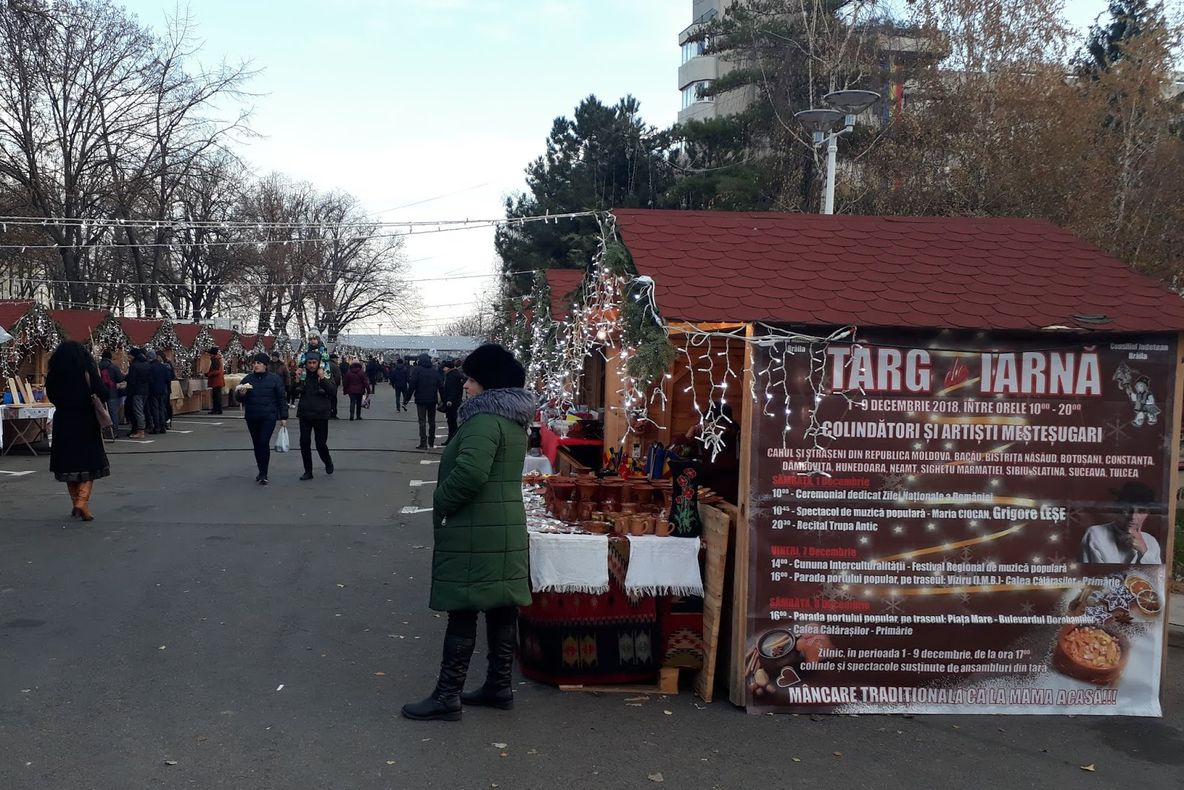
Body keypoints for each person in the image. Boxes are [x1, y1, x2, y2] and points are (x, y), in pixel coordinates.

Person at [402, 343, 534, 721]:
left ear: (488, 385)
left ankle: (448, 695)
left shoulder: (483, 421)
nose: (466, 386)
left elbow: (471, 473)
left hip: (476, 530)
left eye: (472, 380)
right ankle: (498, 686)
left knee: (463, 608)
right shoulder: (511, 421)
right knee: (500, 607)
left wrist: (441, 500)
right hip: (502, 529)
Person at [45, 340, 111, 522]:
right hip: (85, 420)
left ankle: (76, 502)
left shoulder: (53, 375)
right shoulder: (87, 373)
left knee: (68, 464)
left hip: (64, 421)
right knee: (90, 463)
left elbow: (51, 396)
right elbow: (104, 394)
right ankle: (82, 501)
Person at [236, 353, 289, 485]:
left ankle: (264, 473)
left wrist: (283, 416)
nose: (256, 365)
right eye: (254, 363)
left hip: (268, 416)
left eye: (259, 363)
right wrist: (241, 394)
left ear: (265, 365)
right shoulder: (247, 379)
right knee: (256, 443)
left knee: (263, 442)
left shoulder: (274, 379)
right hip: (252, 416)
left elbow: (281, 398)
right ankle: (260, 470)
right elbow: (239, 399)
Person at [1080, 481, 1163, 564]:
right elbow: (1093, 574)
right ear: (1119, 508)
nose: (1133, 517)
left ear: (1147, 514)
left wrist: (1144, 551)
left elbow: (1156, 575)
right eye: (1128, 509)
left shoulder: (1151, 542)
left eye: (1141, 511)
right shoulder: (1096, 534)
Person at [293, 355, 335, 480]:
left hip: (321, 414)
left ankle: (327, 461)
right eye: (309, 363)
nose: (311, 365)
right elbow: (292, 392)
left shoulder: (326, 374)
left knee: (320, 443)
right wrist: (296, 379)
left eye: (314, 362)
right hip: (305, 413)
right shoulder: (303, 375)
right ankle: (308, 470)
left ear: (319, 363)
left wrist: (322, 378)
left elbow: (332, 391)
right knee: (304, 443)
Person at [407, 352, 443, 449]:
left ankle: (423, 442)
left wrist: (406, 399)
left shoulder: (417, 370)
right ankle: (431, 440)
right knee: (432, 421)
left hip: (421, 399)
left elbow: (412, 385)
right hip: (432, 399)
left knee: (422, 421)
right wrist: (444, 399)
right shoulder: (434, 371)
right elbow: (441, 386)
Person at [125, 348, 151, 438]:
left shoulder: (134, 366)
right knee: (141, 410)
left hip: (136, 391)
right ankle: (141, 429)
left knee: (138, 411)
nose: (129, 358)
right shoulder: (146, 364)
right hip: (146, 390)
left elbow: (132, 380)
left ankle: (140, 431)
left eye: (129, 356)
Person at [98, 350, 126, 431]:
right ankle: (114, 430)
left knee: (102, 412)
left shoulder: (98, 366)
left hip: (100, 393)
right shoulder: (113, 367)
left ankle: (105, 429)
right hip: (112, 392)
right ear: (110, 357)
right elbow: (120, 378)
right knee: (113, 412)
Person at [146, 350, 171, 434]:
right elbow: (168, 378)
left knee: (155, 409)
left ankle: (157, 427)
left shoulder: (150, 367)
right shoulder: (163, 366)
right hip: (163, 389)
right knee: (162, 408)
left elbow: (148, 379)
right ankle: (163, 426)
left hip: (153, 390)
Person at [441, 359, 464, 446]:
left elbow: (452, 389)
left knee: (452, 422)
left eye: (445, 367)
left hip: (452, 402)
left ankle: (452, 439)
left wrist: (449, 400)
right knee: (452, 422)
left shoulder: (452, 376)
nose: (443, 369)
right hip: (456, 401)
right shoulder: (456, 374)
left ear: (448, 368)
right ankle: (451, 439)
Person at [207, 346, 225, 415]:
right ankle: (218, 409)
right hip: (218, 380)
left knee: (216, 396)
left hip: (216, 381)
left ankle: (216, 410)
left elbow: (216, 371)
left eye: (210, 354)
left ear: (212, 354)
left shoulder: (215, 360)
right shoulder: (218, 359)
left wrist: (208, 374)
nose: (209, 355)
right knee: (217, 396)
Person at [327, 352, 343, 419]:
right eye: (336, 359)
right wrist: (337, 384)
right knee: (333, 400)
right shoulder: (335, 366)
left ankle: (327, 412)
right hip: (333, 385)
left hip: (325, 384)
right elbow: (337, 377)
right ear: (334, 359)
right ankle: (333, 413)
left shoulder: (326, 364)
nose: (337, 360)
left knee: (327, 399)